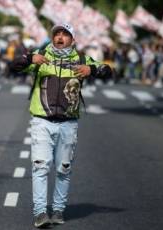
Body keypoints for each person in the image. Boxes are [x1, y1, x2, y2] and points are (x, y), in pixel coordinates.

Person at [12, 23, 111, 228]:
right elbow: (13, 66)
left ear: (72, 40)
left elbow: (107, 71)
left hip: (68, 123)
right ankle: (40, 212)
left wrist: (90, 69)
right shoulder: (40, 55)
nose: (59, 37)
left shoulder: (82, 59)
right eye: (56, 33)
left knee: (63, 169)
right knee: (40, 166)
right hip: (41, 121)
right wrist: (30, 59)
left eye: (65, 34)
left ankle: (58, 210)